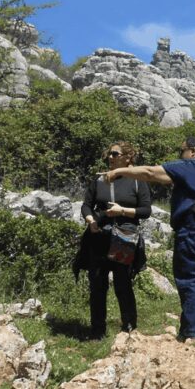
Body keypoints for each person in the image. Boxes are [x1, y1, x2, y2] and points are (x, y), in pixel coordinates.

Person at [103, 137, 195, 341]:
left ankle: (190, 333)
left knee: (191, 278)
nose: (180, 155)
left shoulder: (190, 165)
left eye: (182, 151)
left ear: (193, 151)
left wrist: (118, 171)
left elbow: (150, 173)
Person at [75, 141, 152, 339]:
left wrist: (122, 211)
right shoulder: (100, 180)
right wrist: (90, 219)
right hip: (99, 238)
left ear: (127, 158)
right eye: (109, 154)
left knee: (123, 284)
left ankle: (128, 329)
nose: (110, 157)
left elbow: (146, 210)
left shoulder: (138, 180)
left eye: (115, 154)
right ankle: (97, 332)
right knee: (97, 286)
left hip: (124, 239)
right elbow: (86, 205)